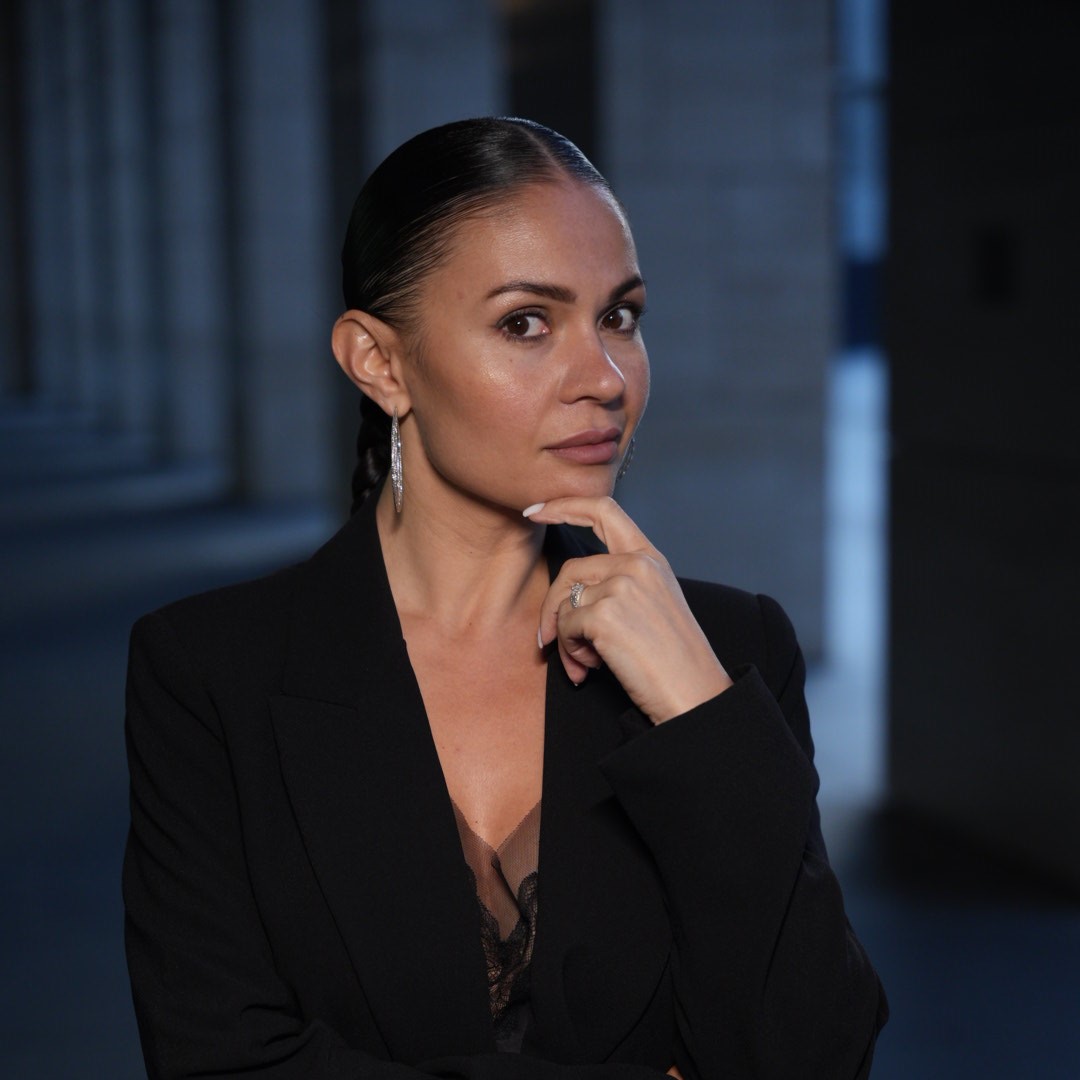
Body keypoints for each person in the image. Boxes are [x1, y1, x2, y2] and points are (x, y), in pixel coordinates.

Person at [123, 117, 887, 1080]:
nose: (605, 378)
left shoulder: (734, 651)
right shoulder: (209, 672)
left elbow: (816, 1056)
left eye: (620, 317)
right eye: (526, 322)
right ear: (380, 362)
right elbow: (219, 1062)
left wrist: (702, 717)